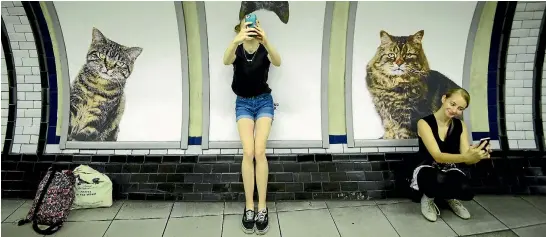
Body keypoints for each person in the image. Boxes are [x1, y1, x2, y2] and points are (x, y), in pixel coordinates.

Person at [222, 17, 281, 234]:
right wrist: (236, 40)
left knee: (259, 151)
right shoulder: (237, 48)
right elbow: (225, 61)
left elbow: (278, 61)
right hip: (243, 103)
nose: (251, 27)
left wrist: (266, 40)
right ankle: (249, 206)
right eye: (247, 24)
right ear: (240, 26)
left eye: (254, 24)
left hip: (264, 101)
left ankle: (262, 207)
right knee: (248, 152)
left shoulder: (264, 48)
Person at [410, 88, 492, 222]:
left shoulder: (461, 126)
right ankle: (428, 198)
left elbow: (467, 158)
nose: (455, 111)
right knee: (433, 180)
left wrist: (477, 154)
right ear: (444, 99)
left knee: (466, 190)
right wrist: (466, 157)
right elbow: (437, 156)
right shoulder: (424, 123)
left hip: (449, 168)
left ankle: (450, 198)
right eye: (452, 104)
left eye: (460, 108)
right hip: (426, 168)